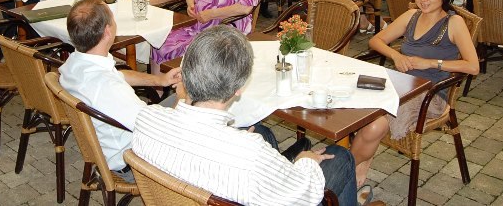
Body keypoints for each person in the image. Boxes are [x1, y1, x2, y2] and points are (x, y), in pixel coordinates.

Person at [132, 26, 360, 206]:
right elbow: (304, 196)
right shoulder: (250, 154)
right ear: (238, 88)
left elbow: (185, 133)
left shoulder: (146, 119)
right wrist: (306, 162)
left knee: (260, 132)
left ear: (187, 74)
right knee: (340, 156)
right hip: (250, 181)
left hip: (194, 186)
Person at [58, 0, 181, 181]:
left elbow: (118, 75)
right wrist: (183, 97)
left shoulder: (74, 64)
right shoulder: (107, 87)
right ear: (108, 31)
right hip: (133, 162)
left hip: (110, 145)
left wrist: (159, 79)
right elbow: (154, 126)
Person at [369, 0, 479, 141]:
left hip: (431, 94)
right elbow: (375, 41)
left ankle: (352, 162)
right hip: (402, 85)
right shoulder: (412, 15)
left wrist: (430, 63)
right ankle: (355, 165)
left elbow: (473, 67)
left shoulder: (453, 23)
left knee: (373, 125)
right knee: (363, 113)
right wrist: (396, 56)